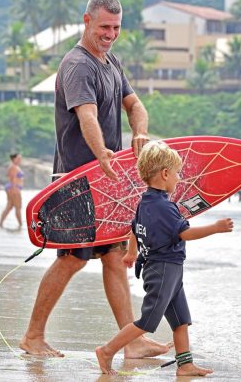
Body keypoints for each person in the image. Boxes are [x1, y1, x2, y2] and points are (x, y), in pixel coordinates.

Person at [19, 0, 171, 358]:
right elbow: (86, 115)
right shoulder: (78, 65)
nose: (110, 33)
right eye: (104, 26)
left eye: (116, 27)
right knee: (71, 258)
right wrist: (102, 150)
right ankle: (33, 337)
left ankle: (131, 340)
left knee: (115, 256)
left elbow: (134, 105)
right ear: (86, 21)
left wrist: (139, 131)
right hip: (76, 179)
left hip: (105, 180)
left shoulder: (110, 61)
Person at [96, 141, 234, 376]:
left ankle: (185, 364)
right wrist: (215, 227)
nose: (179, 179)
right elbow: (185, 233)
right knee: (148, 320)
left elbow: (133, 229)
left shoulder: (145, 203)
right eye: (177, 173)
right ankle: (107, 350)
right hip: (163, 269)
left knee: (181, 319)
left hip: (168, 269)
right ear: (165, 174)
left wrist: (132, 252)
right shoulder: (164, 207)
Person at [0, 153, 24, 229]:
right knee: (18, 207)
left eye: (20, 158)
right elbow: (11, 179)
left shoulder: (14, 167)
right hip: (14, 189)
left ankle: (0, 223)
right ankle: (20, 225)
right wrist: (14, 189)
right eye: (18, 158)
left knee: (9, 206)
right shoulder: (13, 167)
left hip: (13, 188)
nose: (20, 160)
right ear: (14, 159)